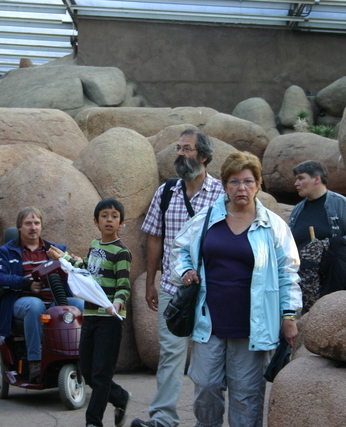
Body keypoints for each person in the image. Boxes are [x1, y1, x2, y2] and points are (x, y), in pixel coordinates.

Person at [170, 151, 302, 427]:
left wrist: (288, 317)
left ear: (258, 184)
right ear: (224, 185)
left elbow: (288, 273)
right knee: (205, 387)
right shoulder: (206, 218)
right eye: (233, 181)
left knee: (247, 397)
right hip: (209, 322)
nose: (241, 188)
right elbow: (179, 250)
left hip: (253, 326)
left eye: (247, 181)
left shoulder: (273, 226)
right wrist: (186, 271)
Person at [132, 130, 225, 427]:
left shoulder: (222, 194)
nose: (181, 154)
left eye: (187, 149)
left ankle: (206, 420)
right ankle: (162, 419)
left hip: (211, 292)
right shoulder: (166, 192)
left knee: (208, 359)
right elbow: (155, 238)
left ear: (205, 157)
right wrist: (150, 281)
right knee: (170, 353)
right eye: (179, 148)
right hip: (173, 288)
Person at [49, 199, 132, 427]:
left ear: (121, 223)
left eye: (114, 216)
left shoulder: (122, 252)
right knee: (86, 370)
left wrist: (117, 302)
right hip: (91, 316)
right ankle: (120, 397)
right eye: (104, 216)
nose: (109, 220)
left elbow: (124, 284)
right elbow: (85, 269)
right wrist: (63, 258)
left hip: (110, 320)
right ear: (96, 221)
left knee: (101, 375)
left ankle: (93, 422)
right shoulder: (95, 245)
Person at [0, 207, 84, 384]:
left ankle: (82, 355)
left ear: (41, 226)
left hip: (55, 300)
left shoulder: (55, 249)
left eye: (36, 223)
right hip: (21, 302)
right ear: (19, 227)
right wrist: (25, 283)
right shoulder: (6, 251)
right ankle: (35, 360)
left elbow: (78, 272)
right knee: (35, 306)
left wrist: (70, 261)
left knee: (79, 306)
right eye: (28, 224)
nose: (33, 227)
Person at [288, 160, 346, 311]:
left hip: (337, 282)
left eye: (301, 178)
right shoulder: (298, 210)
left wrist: (326, 245)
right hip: (303, 287)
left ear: (317, 179)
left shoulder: (340, 204)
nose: (296, 183)